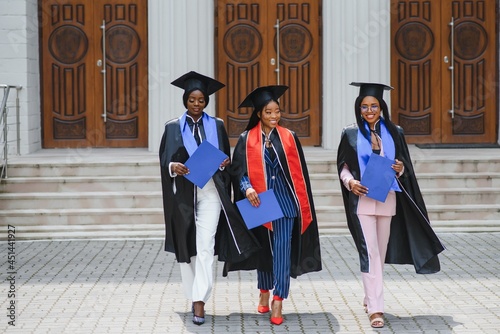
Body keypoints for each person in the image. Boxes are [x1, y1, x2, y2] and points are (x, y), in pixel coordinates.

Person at [337, 82, 445, 328]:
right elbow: (343, 165)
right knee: (370, 253)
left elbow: (403, 162)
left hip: (387, 197)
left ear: (381, 106)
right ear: (359, 108)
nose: (369, 110)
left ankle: (369, 297)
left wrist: (400, 167)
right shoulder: (350, 133)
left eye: (374, 105)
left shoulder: (395, 131)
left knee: (380, 253)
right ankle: (376, 309)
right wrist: (350, 181)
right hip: (362, 200)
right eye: (364, 106)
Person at [159, 71, 259, 326]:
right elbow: (164, 160)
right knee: (186, 249)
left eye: (201, 100)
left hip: (212, 192)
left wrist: (224, 163)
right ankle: (192, 294)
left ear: (206, 101)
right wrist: (174, 167)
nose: (196, 104)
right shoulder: (173, 127)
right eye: (192, 99)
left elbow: (225, 157)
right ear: (185, 99)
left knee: (205, 245)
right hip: (184, 194)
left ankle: (199, 301)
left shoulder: (217, 125)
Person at [225, 85, 322, 325]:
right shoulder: (247, 139)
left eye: (277, 111)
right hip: (260, 202)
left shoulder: (289, 137)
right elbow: (238, 170)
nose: (273, 116)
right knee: (264, 250)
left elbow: (298, 172)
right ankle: (264, 289)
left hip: (286, 202)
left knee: (281, 251)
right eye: (268, 112)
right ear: (259, 114)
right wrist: (247, 187)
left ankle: (279, 298)